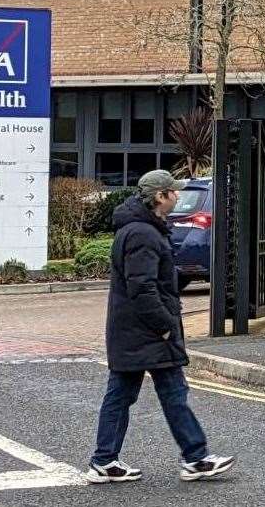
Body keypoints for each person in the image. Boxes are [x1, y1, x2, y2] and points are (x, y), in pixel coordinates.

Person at [87, 170, 235, 484]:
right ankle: (195, 458)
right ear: (159, 197)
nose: (178, 196)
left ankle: (105, 460)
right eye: (173, 192)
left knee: (125, 394)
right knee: (170, 392)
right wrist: (166, 326)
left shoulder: (142, 228)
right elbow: (143, 288)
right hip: (148, 332)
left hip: (133, 331)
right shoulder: (143, 234)